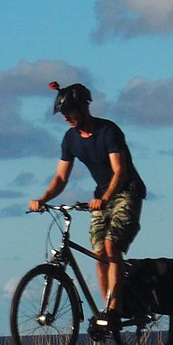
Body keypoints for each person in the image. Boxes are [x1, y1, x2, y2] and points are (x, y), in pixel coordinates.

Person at [28, 82, 146, 331]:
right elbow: (61, 178)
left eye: (70, 112)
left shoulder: (108, 131)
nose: (66, 118)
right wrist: (43, 198)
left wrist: (105, 198)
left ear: (84, 107)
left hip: (127, 192)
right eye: (63, 114)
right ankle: (107, 309)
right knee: (98, 254)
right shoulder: (70, 139)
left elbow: (120, 172)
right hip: (101, 197)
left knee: (112, 246)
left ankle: (113, 311)